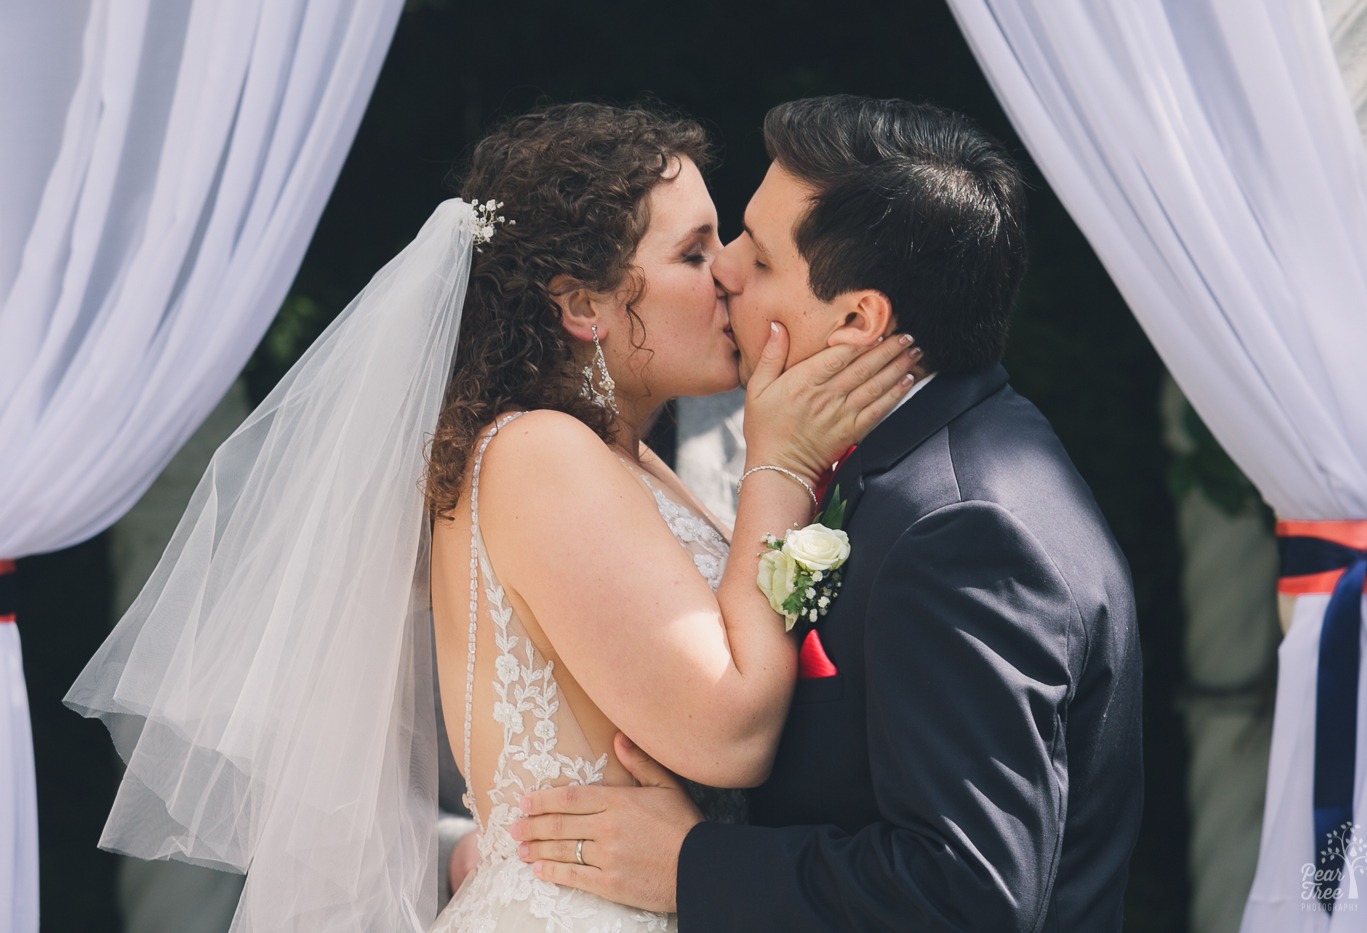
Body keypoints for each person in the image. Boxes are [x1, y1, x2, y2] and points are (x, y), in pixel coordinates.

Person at [65, 101, 918, 932]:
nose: (730, 270)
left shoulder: (620, 459)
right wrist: (780, 464)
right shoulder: (539, 454)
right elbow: (727, 733)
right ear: (583, 306)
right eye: (694, 252)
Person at [513, 95, 1144, 931]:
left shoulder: (962, 528)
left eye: (758, 257)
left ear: (857, 319)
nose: (726, 270)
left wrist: (692, 865)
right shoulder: (923, 460)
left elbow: (968, 895)